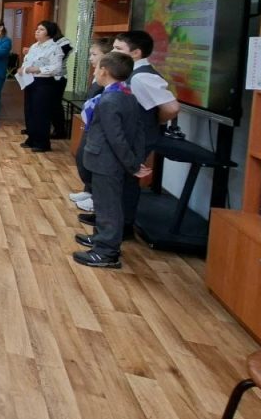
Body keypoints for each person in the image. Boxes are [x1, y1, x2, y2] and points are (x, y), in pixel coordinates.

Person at [82, 30, 180, 237]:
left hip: (131, 138)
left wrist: (154, 122)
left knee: (125, 182)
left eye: (118, 48)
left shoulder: (143, 76)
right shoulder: (126, 72)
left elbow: (171, 108)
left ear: (136, 53)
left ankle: (122, 226)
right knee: (114, 183)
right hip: (121, 137)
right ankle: (107, 221)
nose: (112, 52)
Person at [72, 52, 151, 268]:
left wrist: (132, 164)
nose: (94, 72)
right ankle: (101, 238)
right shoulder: (127, 94)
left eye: (97, 68)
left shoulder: (109, 100)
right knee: (103, 203)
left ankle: (106, 252)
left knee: (108, 207)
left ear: (104, 71)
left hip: (106, 161)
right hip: (111, 161)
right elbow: (138, 131)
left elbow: (116, 138)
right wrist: (136, 159)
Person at [69, 38, 115, 212]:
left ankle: (95, 197)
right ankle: (89, 190)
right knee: (83, 158)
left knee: (92, 162)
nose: (90, 58)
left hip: (98, 128)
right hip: (90, 124)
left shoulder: (109, 79)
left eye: (94, 54)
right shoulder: (97, 75)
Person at [20, 20, 65, 153]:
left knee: (41, 112)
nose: (37, 31)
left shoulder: (54, 48)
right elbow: (28, 61)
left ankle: (42, 142)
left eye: (41, 29)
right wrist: (23, 68)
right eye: (37, 29)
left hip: (44, 83)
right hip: (30, 81)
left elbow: (57, 68)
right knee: (30, 111)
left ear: (49, 33)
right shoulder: (34, 46)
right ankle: (32, 138)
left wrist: (38, 69)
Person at [51, 28, 75, 139]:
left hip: (58, 78)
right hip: (49, 77)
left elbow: (56, 60)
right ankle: (55, 129)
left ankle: (60, 131)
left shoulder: (64, 42)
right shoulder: (49, 43)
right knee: (50, 104)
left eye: (42, 29)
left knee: (55, 105)